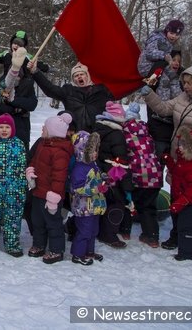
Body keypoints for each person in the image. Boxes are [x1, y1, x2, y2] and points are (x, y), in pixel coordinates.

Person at [141, 62, 192, 251]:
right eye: (185, 82)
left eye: (190, 83)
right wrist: (149, 94)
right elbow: (164, 109)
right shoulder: (182, 98)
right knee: (176, 196)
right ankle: (177, 235)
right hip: (177, 155)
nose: (186, 86)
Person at [26, 113, 73, 264]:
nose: (42, 128)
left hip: (51, 196)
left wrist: (54, 197)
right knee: (37, 221)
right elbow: (34, 159)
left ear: (53, 131)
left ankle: (56, 250)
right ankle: (39, 244)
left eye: (45, 127)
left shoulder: (60, 152)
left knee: (53, 223)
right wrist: (31, 170)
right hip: (38, 191)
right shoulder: (42, 144)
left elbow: (59, 177)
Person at [0, 114, 28, 257]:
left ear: (12, 129)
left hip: (14, 190)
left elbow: (22, 167)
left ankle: (12, 243)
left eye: (7, 127)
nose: (4, 130)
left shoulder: (19, 144)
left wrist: (21, 187)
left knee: (12, 217)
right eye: (1, 127)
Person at [28, 61, 113, 133]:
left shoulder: (101, 91)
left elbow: (117, 93)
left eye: (81, 74)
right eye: (76, 75)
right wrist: (35, 72)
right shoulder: (69, 91)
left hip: (97, 134)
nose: (79, 76)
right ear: (73, 79)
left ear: (87, 76)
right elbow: (50, 89)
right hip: (74, 134)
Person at [93, 101, 132, 249]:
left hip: (99, 173)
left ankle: (80, 228)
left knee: (99, 204)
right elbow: (121, 161)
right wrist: (127, 185)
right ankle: (109, 234)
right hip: (113, 176)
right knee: (116, 205)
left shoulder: (97, 129)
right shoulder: (116, 135)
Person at [123, 103, 163, 248]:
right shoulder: (148, 135)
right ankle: (151, 236)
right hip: (154, 173)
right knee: (148, 206)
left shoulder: (125, 134)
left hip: (137, 173)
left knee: (129, 202)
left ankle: (125, 230)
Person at [166, 127, 192, 261]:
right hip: (183, 200)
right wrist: (168, 161)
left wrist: (178, 204)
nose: (180, 148)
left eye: (184, 146)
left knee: (187, 227)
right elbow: (177, 173)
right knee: (191, 226)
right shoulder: (183, 161)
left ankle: (186, 253)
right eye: (180, 144)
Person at [69, 131, 107, 265]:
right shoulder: (79, 168)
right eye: (91, 150)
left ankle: (89, 251)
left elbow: (95, 178)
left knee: (93, 231)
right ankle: (77, 254)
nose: (95, 153)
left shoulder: (93, 165)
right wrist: (94, 189)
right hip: (83, 206)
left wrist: (103, 178)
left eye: (96, 150)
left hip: (94, 205)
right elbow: (76, 188)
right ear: (82, 151)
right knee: (84, 231)